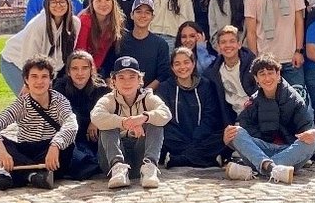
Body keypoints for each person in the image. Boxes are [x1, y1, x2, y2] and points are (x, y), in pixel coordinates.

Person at [0, 56, 77, 191]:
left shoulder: (59, 101)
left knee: (68, 146)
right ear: (26, 80)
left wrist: (56, 145)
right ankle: (34, 176)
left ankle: (16, 177)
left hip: (49, 149)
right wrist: (1, 150)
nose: (39, 81)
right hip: (26, 150)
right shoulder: (21, 104)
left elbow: (71, 123)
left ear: (51, 80)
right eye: (34, 76)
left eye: (44, 76)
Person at [222, 54, 315, 184]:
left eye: (271, 73)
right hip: (261, 149)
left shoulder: (295, 100)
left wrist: (312, 133)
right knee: (236, 132)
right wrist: (229, 140)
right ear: (256, 79)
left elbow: (307, 127)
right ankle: (272, 169)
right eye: (262, 74)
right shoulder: (252, 103)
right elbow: (246, 136)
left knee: (310, 144)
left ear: (278, 75)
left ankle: (257, 169)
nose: (267, 78)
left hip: (288, 150)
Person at [91, 56, 172, 189]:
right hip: (112, 158)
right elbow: (96, 116)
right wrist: (123, 122)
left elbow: (166, 114)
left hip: (139, 156)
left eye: (132, 77)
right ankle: (118, 167)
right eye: (121, 78)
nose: (126, 82)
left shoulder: (148, 97)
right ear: (114, 81)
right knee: (107, 123)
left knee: (155, 121)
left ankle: (149, 167)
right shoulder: (109, 99)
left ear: (140, 80)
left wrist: (143, 118)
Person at [243, 0, 307, 88]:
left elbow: (299, 22)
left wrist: (298, 50)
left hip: (291, 58)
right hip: (266, 61)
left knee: (299, 104)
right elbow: (251, 33)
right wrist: (257, 61)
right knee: (271, 106)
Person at [0, 0, 80, 94]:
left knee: (47, 100)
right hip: (14, 61)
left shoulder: (75, 23)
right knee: (31, 98)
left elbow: (63, 56)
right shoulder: (38, 24)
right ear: (47, 4)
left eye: (62, 1)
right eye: (53, 2)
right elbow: (28, 57)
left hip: (42, 65)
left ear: (68, 3)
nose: (58, 5)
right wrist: (27, 83)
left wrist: (51, 78)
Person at [162, 47, 228, 168]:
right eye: (177, 64)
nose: (182, 67)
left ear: (194, 64)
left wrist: (197, 138)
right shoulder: (165, 88)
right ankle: (206, 158)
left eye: (186, 62)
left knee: (223, 136)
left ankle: (179, 159)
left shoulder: (206, 86)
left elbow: (210, 116)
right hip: (176, 139)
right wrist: (190, 142)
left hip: (201, 137)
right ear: (172, 67)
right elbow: (166, 118)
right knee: (163, 133)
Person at [53, 51, 110, 179]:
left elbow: (111, 108)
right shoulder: (60, 88)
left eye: (84, 68)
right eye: (75, 68)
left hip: (92, 138)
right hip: (71, 137)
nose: (80, 73)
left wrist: (96, 119)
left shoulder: (101, 89)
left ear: (91, 70)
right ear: (68, 71)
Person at [203, 24, 257, 126]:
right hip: (235, 120)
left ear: (239, 44)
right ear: (218, 47)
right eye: (223, 42)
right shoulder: (212, 73)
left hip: (257, 114)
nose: (228, 45)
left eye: (232, 41)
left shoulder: (253, 65)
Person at [115, 0, 171, 91]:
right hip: (121, 94)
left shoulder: (161, 44)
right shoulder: (119, 41)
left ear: (152, 17)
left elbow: (163, 75)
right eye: (139, 12)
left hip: (149, 97)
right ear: (132, 15)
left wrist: (144, 93)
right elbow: (109, 69)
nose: (143, 15)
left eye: (147, 12)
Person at [76, 0, 125, 75]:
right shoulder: (85, 20)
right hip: (79, 64)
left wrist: (95, 72)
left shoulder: (114, 22)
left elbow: (102, 52)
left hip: (95, 67)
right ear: (92, 2)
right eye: (98, 0)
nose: (103, 4)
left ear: (113, 2)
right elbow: (80, 50)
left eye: (107, 0)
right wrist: (90, 71)